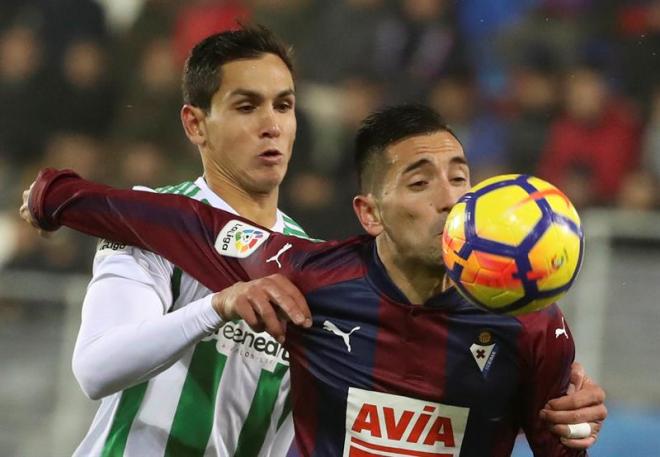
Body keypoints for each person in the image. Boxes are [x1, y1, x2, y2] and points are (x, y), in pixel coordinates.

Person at [23, 104, 606, 456]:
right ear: (370, 213)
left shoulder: (532, 323)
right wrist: (56, 196)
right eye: (421, 183)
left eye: (461, 178)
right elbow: (187, 224)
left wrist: (574, 423)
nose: (452, 201)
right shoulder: (310, 278)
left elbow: (564, 443)